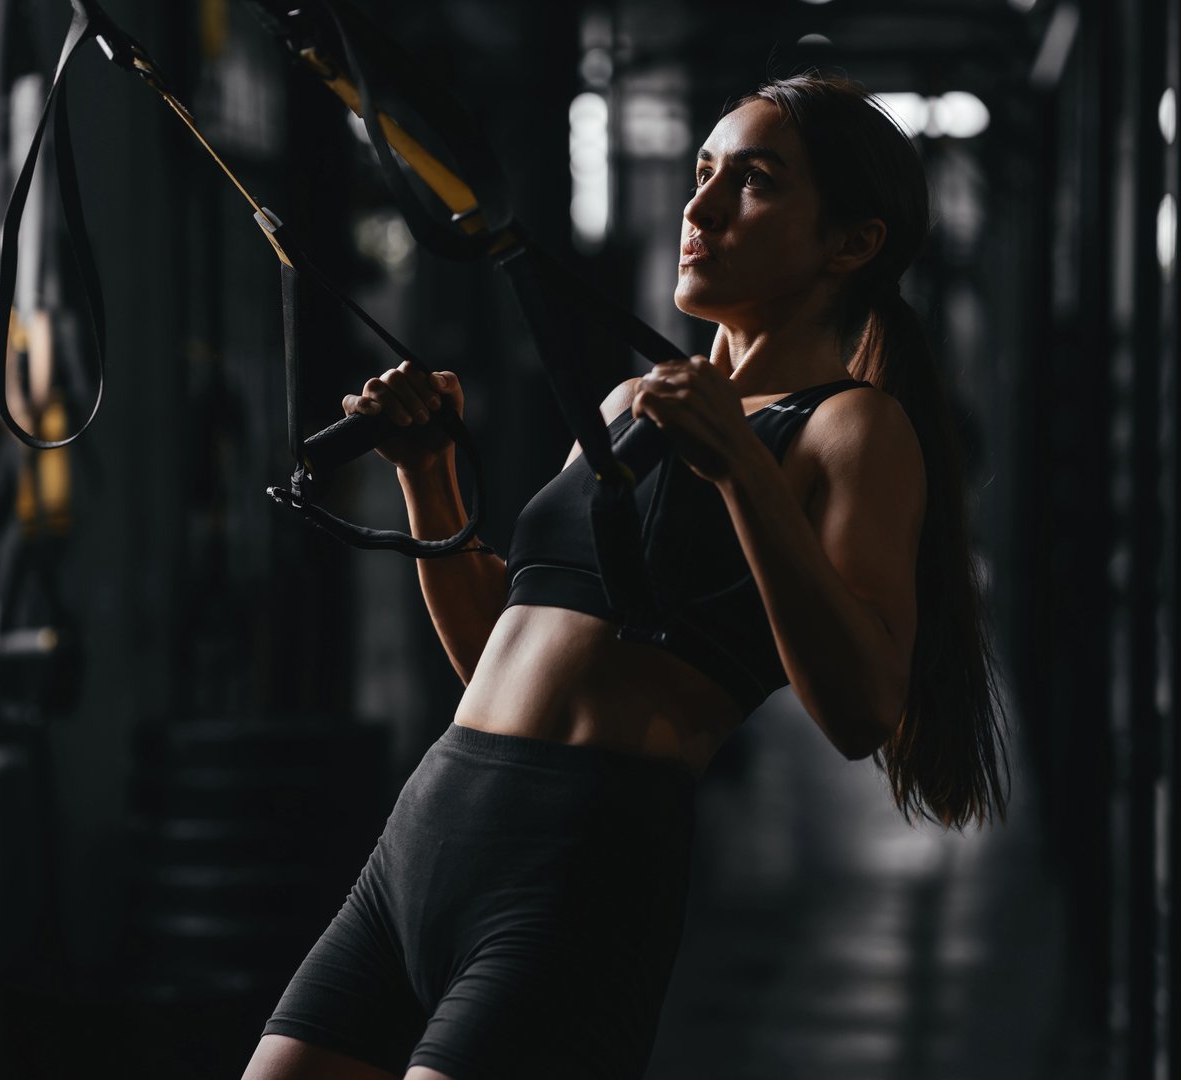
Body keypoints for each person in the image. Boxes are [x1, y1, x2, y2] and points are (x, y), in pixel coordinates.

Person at [242, 72, 1008, 1080]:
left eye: (756, 182)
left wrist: (743, 470)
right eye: (703, 174)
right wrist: (430, 478)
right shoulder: (626, 406)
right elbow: (500, 663)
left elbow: (865, 708)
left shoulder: (851, 427)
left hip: (577, 866)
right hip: (426, 836)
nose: (700, 208)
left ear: (850, 243)